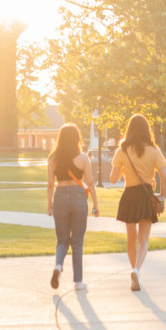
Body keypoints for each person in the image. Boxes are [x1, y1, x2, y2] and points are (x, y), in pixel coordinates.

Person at [109, 114, 166, 291]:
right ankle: (136, 270)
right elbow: (164, 178)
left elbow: (112, 179)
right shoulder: (154, 150)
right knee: (143, 240)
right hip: (146, 196)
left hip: (129, 195)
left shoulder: (122, 150)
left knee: (131, 238)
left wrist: (123, 170)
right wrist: (162, 198)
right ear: (146, 130)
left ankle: (133, 268)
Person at [47, 123, 99, 291]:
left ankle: (58, 266)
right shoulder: (83, 158)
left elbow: (49, 184)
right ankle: (78, 281)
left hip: (60, 196)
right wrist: (95, 205)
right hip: (78, 196)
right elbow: (90, 183)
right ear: (77, 138)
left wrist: (49, 204)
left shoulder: (53, 159)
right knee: (77, 240)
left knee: (62, 239)